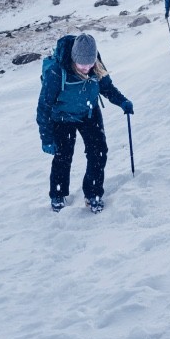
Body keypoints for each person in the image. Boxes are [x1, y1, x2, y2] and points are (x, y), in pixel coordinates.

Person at [35, 32, 134, 213]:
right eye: (82, 64)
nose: (86, 68)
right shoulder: (56, 72)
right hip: (62, 118)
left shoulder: (95, 64)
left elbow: (107, 88)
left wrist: (122, 102)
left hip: (89, 113)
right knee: (63, 156)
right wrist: (47, 138)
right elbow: (44, 107)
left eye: (90, 64)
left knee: (98, 152)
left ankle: (93, 194)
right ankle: (58, 194)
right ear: (73, 59)